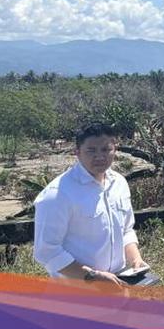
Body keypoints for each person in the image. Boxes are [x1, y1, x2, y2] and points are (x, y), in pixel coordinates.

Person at [33, 122, 149, 285]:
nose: (99, 157)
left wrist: (136, 260)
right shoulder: (57, 194)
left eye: (105, 149)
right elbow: (47, 251)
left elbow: (126, 230)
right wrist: (92, 276)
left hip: (119, 284)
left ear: (115, 149)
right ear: (77, 152)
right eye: (91, 150)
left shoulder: (119, 183)